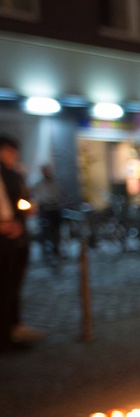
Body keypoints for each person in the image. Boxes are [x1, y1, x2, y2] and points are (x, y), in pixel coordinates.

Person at [0, 134, 34, 352]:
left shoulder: (15, 173)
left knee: (12, 286)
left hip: (17, 237)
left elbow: (22, 199)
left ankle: (13, 327)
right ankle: (4, 338)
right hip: (4, 238)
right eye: (10, 152)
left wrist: (26, 209)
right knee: (3, 288)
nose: (13, 157)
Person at [31, 163, 67, 262]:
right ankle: (46, 252)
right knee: (45, 231)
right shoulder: (38, 184)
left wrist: (58, 200)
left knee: (57, 231)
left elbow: (61, 194)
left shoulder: (56, 182)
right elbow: (36, 196)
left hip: (55, 209)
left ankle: (57, 249)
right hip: (45, 210)